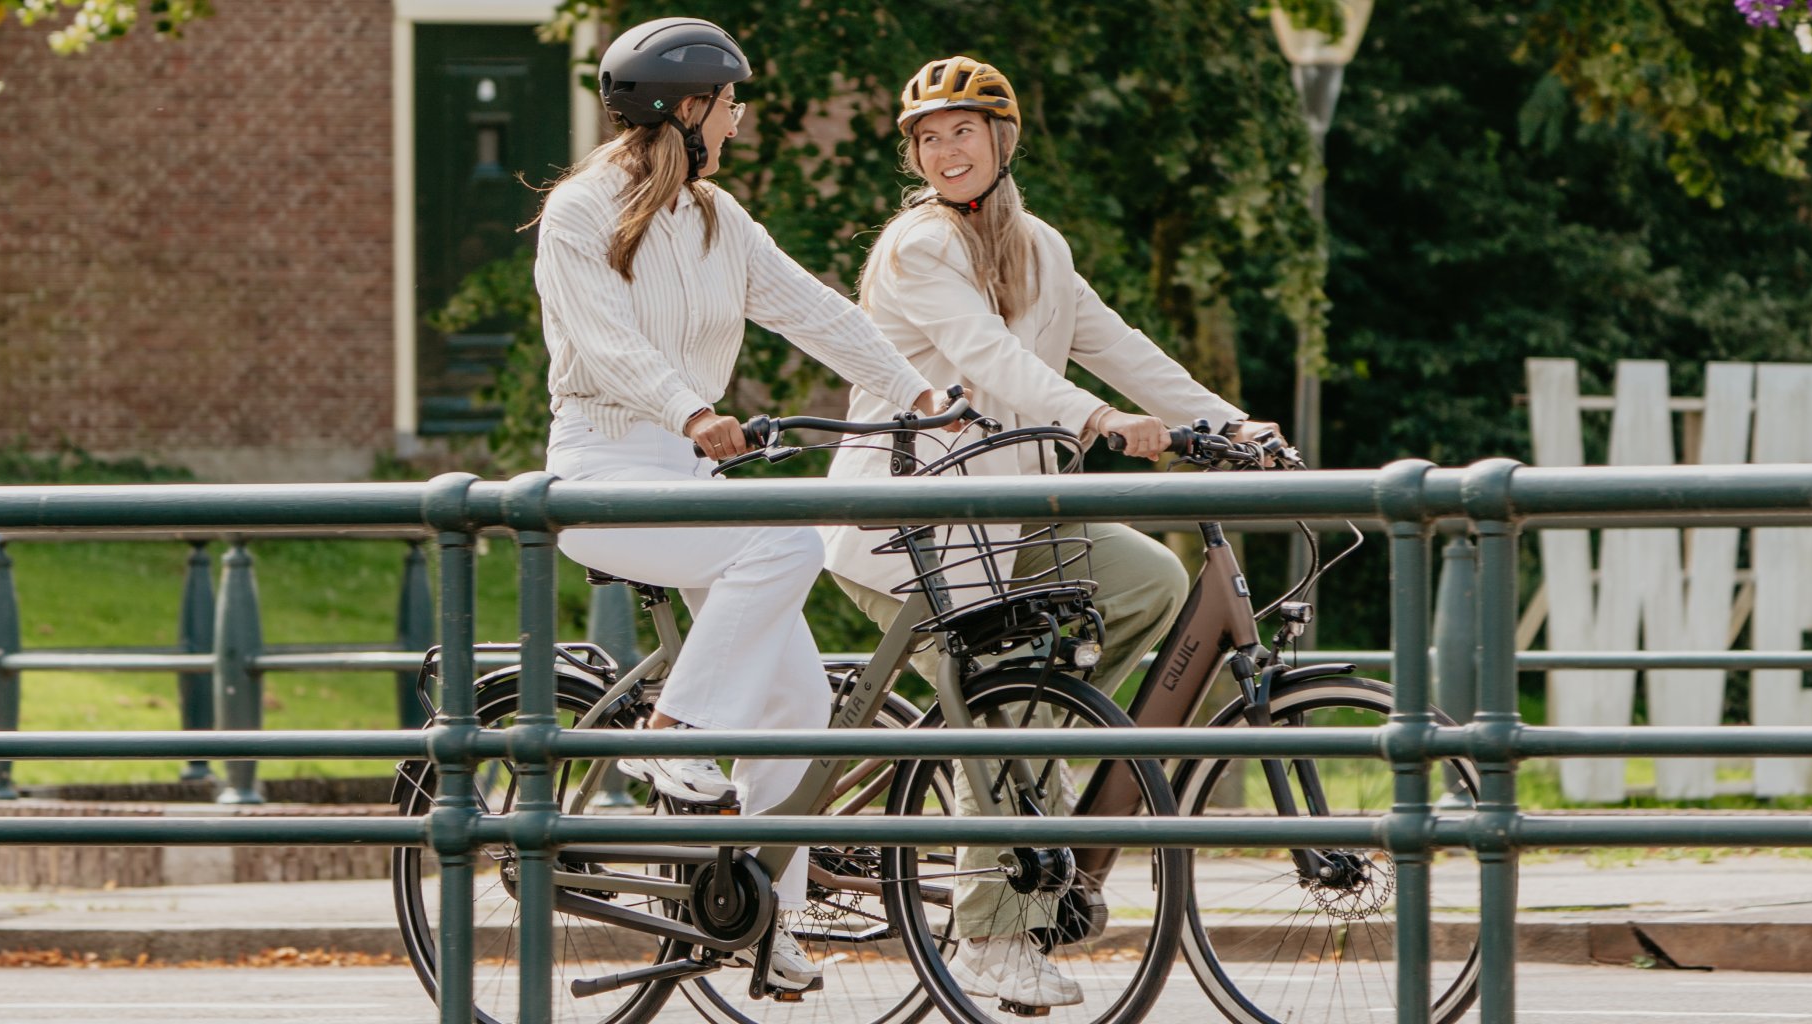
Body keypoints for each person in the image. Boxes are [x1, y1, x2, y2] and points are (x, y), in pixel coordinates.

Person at [823, 56, 1280, 1007]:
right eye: (929, 138)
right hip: (910, 523)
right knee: (1000, 704)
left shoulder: (1040, 247)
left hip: (1012, 524)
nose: (947, 151)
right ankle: (989, 934)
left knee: (1150, 580)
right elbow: (987, 358)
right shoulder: (916, 248)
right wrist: (1100, 423)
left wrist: (1228, 420)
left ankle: (1038, 728)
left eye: (964, 132)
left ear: (1003, 139)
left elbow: (1115, 343)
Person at [531, 16, 952, 992]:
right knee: (783, 535)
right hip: (602, 474)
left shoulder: (717, 218)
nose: (741, 117)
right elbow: (602, 345)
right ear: (689, 108)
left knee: (802, 704)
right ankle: (675, 740)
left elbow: (815, 311)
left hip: (685, 480)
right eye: (731, 102)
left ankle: (765, 920)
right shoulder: (578, 213)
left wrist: (918, 394)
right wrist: (691, 411)